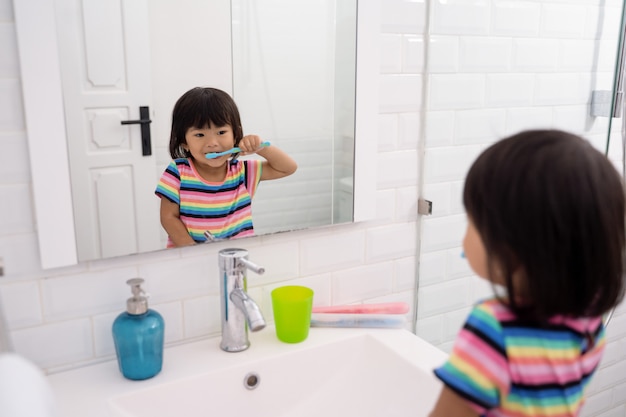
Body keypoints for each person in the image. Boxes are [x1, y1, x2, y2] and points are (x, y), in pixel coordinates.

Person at [429, 129, 625, 417]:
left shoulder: (494, 328)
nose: (465, 235)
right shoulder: (589, 323)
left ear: (513, 248)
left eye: (471, 220)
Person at [155, 87, 297, 247]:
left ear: (235, 135)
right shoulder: (178, 172)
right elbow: (168, 217)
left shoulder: (243, 172)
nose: (212, 143)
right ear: (184, 143)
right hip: (190, 259)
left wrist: (261, 148)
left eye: (221, 132)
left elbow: (288, 167)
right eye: (200, 135)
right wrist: (193, 251)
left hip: (237, 256)